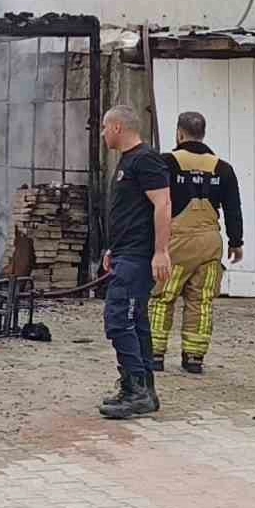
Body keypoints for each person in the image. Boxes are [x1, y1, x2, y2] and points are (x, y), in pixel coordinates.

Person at [148, 111, 243, 375]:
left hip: (176, 243)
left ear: (179, 133)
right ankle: (194, 358)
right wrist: (236, 242)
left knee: (162, 298)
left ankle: (155, 355)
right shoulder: (223, 168)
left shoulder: (165, 163)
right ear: (203, 133)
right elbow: (233, 209)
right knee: (201, 301)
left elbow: (153, 203)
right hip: (210, 244)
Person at [98, 105, 172, 420]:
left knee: (119, 319)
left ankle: (135, 391)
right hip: (126, 253)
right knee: (136, 321)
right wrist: (112, 248)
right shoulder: (128, 161)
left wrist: (161, 251)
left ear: (117, 127)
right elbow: (129, 210)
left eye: (105, 127)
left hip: (139, 256)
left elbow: (163, 204)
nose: (102, 133)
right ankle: (143, 390)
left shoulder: (146, 159)